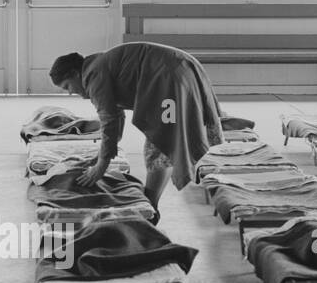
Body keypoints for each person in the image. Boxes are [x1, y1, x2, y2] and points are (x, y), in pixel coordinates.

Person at [49, 42, 225, 209]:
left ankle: (150, 206)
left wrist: (101, 167)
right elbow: (116, 117)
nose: (71, 92)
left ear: (75, 74)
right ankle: (151, 202)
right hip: (180, 69)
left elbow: (109, 119)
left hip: (170, 79)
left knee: (158, 144)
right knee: (162, 144)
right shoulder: (98, 66)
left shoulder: (94, 75)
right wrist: (101, 156)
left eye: (67, 86)